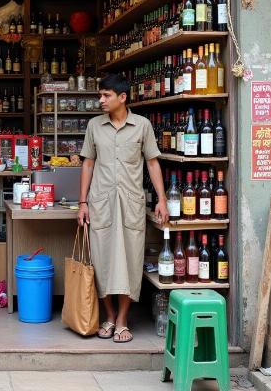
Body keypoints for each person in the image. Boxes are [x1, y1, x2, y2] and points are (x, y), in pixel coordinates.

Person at [78, 73, 169, 343]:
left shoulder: (142, 126)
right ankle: (108, 315)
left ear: (122, 97)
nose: (101, 100)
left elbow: (153, 163)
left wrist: (162, 199)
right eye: (100, 95)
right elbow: (88, 164)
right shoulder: (94, 126)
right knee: (102, 260)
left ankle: (122, 319)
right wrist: (82, 203)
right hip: (101, 203)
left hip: (131, 204)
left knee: (130, 261)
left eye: (106, 95)